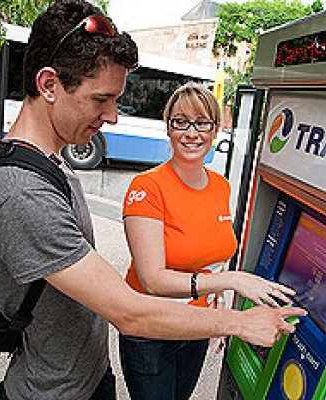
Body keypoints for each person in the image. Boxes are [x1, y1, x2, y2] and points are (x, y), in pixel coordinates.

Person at [0, 1, 306, 399]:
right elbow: (130, 312)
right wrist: (238, 323)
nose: (112, 117)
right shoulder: (24, 194)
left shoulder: (52, 164)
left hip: (83, 379)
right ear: (49, 85)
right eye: (100, 99)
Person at [120, 82, 300, 400]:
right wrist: (232, 283)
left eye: (202, 123)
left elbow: (213, 257)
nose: (192, 133)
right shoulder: (147, 187)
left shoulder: (221, 186)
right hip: (152, 329)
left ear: (216, 129)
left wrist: (217, 313)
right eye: (181, 122)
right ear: (169, 127)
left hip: (198, 325)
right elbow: (151, 280)